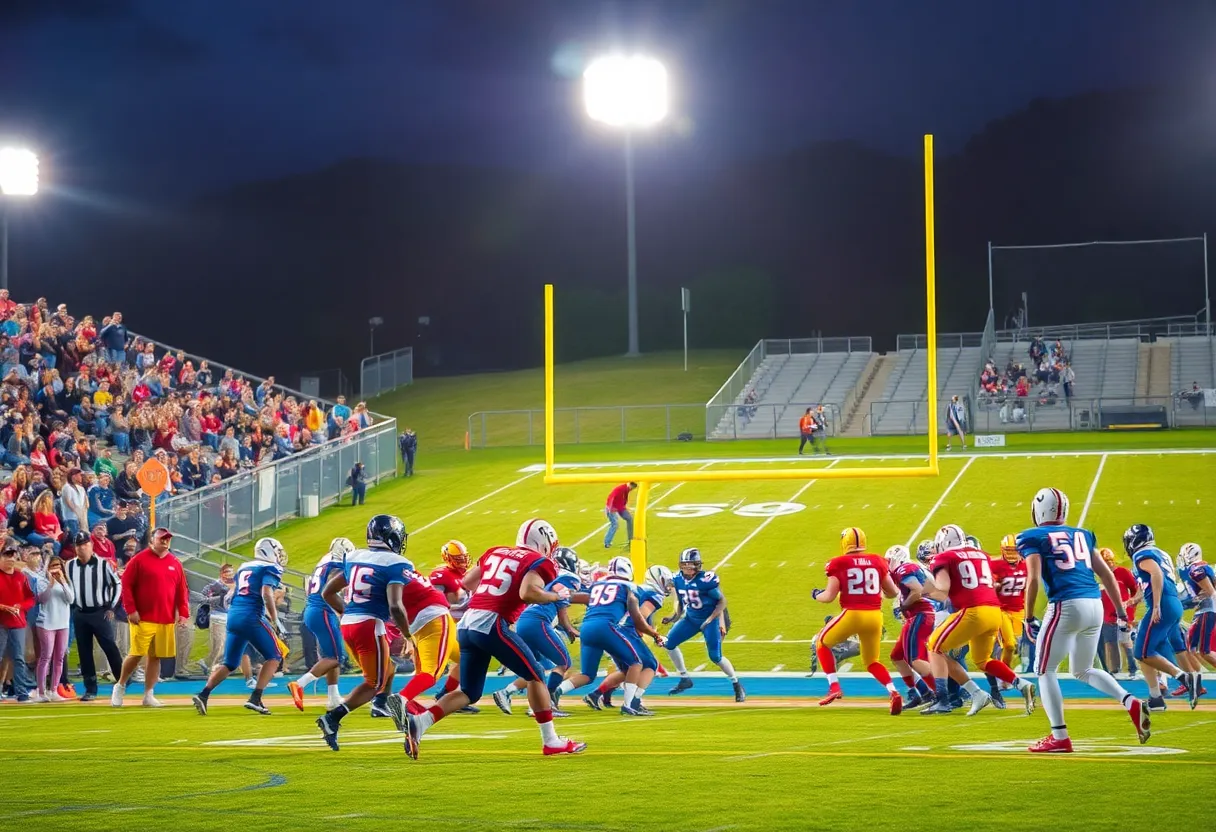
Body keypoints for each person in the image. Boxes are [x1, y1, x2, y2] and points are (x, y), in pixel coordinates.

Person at [404, 518, 585, 759]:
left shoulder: (496, 551)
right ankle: (551, 741)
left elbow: (468, 582)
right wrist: (553, 596)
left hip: (468, 623)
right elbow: (528, 592)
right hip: (492, 623)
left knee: (469, 691)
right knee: (536, 675)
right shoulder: (540, 561)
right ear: (545, 542)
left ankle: (420, 722)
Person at [1018, 488, 1150, 752]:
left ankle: (1059, 737)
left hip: (1065, 604)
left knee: (1044, 670)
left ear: (1038, 510)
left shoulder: (1031, 536)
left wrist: (1028, 616)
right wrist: (1122, 613)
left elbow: (1032, 579)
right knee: (1082, 669)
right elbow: (1107, 575)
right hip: (1095, 605)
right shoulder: (1083, 535)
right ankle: (1130, 701)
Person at [314, 515, 413, 751]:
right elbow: (395, 606)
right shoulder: (397, 563)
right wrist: (408, 635)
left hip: (349, 623)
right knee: (374, 682)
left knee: (386, 667)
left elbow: (328, 592)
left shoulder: (355, 556)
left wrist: (348, 613)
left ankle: (380, 705)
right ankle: (333, 718)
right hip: (370, 624)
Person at [921, 524, 1036, 716]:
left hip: (973, 611)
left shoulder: (944, 557)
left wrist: (924, 591)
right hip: (994, 612)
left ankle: (945, 700)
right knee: (982, 660)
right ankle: (1021, 684)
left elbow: (943, 590)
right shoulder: (981, 554)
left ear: (943, 542)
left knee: (933, 646)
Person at [551, 556, 664, 717]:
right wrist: (653, 633)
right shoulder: (629, 587)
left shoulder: (597, 585)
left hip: (587, 628)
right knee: (635, 663)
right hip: (607, 626)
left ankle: (556, 692)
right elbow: (637, 617)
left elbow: (575, 597)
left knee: (587, 674)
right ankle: (628, 705)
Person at [192, 537, 289, 716]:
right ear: (270, 551)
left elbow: (230, 595)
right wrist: (275, 619)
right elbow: (266, 593)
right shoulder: (271, 568)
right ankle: (256, 698)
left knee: (230, 662)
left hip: (234, 615)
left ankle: (203, 694)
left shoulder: (245, 566)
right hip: (251, 616)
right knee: (275, 655)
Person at [812, 528, 902, 714]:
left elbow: (829, 596)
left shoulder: (839, 563)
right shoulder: (877, 561)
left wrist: (816, 595)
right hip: (875, 616)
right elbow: (892, 592)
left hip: (853, 614)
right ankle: (893, 692)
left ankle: (834, 686)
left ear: (845, 543)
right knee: (872, 661)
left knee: (821, 642)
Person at [493, 547, 585, 715]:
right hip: (538, 621)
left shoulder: (549, 575)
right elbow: (561, 601)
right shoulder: (569, 578)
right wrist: (570, 628)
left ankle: (506, 692)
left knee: (538, 668)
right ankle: (547, 703)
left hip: (524, 620)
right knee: (564, 663)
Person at [112, 528, 191, 708]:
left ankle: (148, 693)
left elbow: (181, 590)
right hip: (143, 617)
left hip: (165, 618)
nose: (165, 541)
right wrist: (131, 609)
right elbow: (126, 584)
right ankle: (121, 685)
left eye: (168, 539)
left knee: (156, 656)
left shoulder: (175, 563)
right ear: (152, 541)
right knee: (137, 652)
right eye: (162, 538)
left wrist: (184, 613)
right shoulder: (139, 559)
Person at [1124, 524, 1193, 711]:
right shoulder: (1159, 552)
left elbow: (1156, 574)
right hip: (1172, 604)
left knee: (1142, 652)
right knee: (1147, 648)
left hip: (1163, 604)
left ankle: (1184, 677)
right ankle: (1155, 698)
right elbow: (1146, 583)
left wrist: (1155, 606)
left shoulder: (1142, 554)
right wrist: (1133, 601)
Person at [663, 547, 746, 702]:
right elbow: (681, 603)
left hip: (709, 620)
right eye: (685, 564)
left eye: (691, 564)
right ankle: (684, 678)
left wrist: (710, 620)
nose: (688, 567)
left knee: (715, 656)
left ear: (697, 564)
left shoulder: (705, 580)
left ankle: (736, 684)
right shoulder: (678, 580)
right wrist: (673, 617)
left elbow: (722, 601)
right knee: (669, 643)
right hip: (691, 619)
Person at [290, 537, 354, 711]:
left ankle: (333, 697)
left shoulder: (323, 563)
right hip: (323, 611)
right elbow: (331, 590)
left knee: (330, 655)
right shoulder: (336, 566)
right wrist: (345, 609)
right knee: (335, 657)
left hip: (313, 610)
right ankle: (299, 684)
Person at [63, 532, 123, 701]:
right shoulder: (69, 566)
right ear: (75, 548)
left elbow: (117, 584)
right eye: (78, 545)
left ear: (91, 545)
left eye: (85, 544)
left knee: (109, 646)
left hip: (99, 612)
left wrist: (111, 607)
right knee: (84, 652)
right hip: (80, 613)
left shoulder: (103, 565)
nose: (82, 547)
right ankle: (90, 688)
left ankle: (122, 680)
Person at [886, 544, 937, 709]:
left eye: (889, 560)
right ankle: (920, 692)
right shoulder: (905, 570)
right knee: (897, 656)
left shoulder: (905, 568)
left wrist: (904, 606)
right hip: (918, 615)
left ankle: (940, 693)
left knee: (915, 659)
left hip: (921, 614)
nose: (888, 563)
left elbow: (916, 591)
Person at [987, 534, 1028, 707]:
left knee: (1014, 646)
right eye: (1009, 550)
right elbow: (986, 583)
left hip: (1018, 611)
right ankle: (1005, 676)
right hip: (1000, 609)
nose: (1012, 554)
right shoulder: (995, 564)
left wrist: (1027, 611)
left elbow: (1026, 589)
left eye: (1014, 550)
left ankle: (1003, 675)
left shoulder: (1026, 565)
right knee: (1008, 644)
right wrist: (994, 585)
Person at [33, 554, 74, 701]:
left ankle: (54, 690)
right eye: (52, 566)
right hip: (46, 623)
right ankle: (41, 691)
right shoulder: (42, 581)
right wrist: (50, 584)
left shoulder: (66, 582)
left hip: (63, 623)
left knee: (59, 658)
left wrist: (62, 581)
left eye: (58, 566)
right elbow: (42, 599)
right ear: (47, 568)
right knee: (46, 657)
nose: (55, 569)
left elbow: (71, 599)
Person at [0, 544, 36, 702]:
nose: (10, 559)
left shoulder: (21, 577)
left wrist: (20, 606)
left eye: (12, 555)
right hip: (1, 621)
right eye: (7, 555)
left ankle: (21, 692)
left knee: (19, 658)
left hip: (17, 621)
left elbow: (31, 598)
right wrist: (4, 607)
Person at [603, 482, 636, 550]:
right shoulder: (620, 489)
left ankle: (631, 540)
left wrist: (625, 507)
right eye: (632, 488)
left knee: (630, 519)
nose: (632, 490)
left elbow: (622, 499)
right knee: (614, 525)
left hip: (620, 508)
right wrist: (610, 508)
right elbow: (612, 497)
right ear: (630, 485)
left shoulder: (626, 489)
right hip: (612, 508)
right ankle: (607, 543)